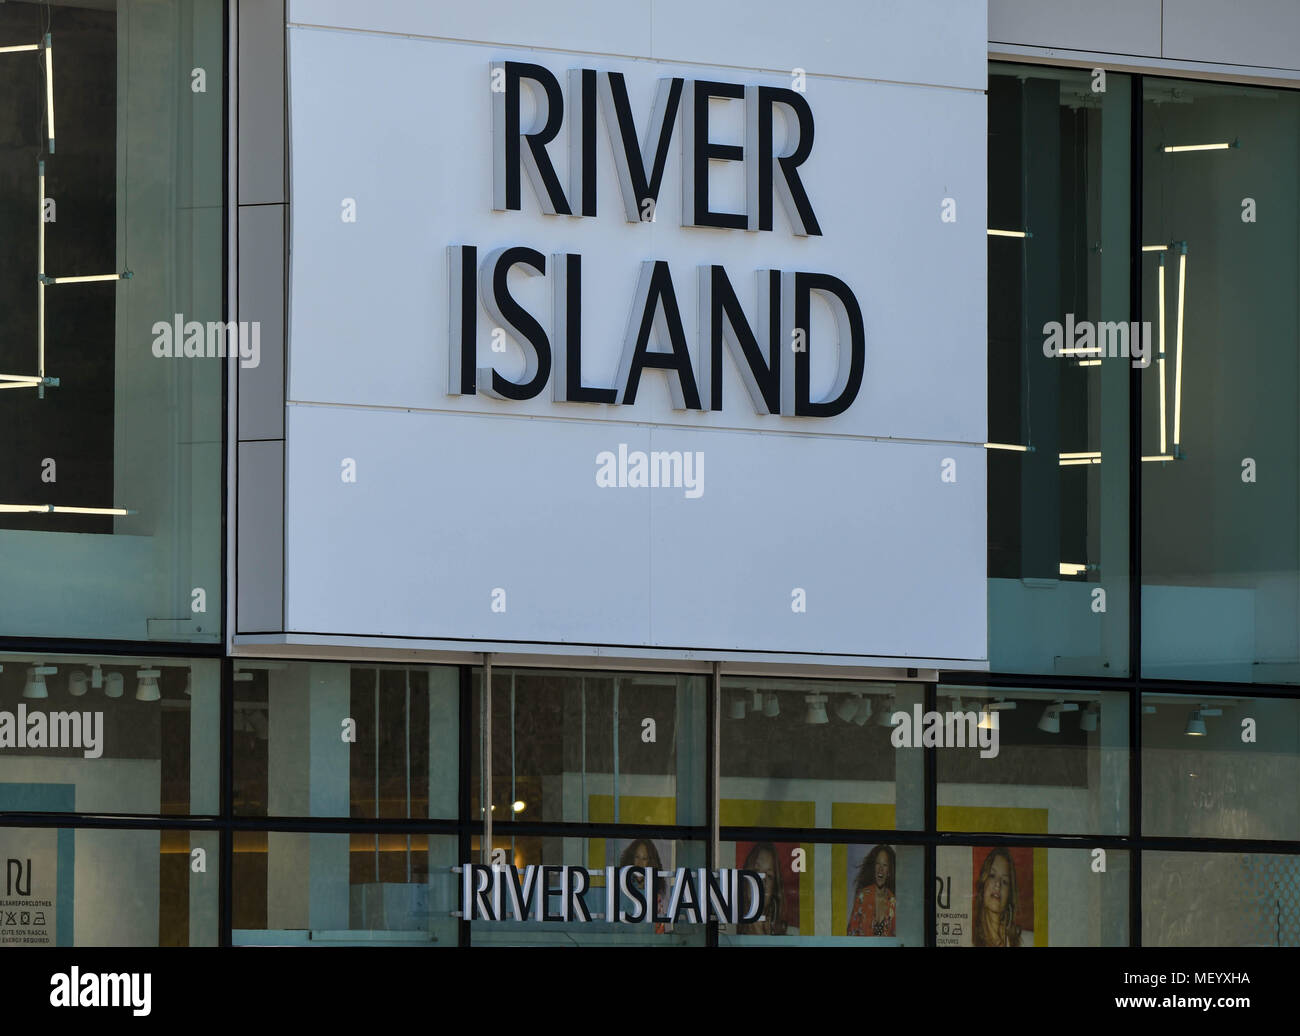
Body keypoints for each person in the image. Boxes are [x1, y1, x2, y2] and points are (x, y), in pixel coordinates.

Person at [971, 847, 1022, 947]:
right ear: (983, 882)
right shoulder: (966, 936)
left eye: (1004, 881)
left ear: (1009, 894)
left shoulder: (1028, 941)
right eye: (992, 875)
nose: (998, 884)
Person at [738, 842, 788, 935]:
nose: (762, 880)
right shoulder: (728, 928)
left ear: (774, 888)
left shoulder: (791, 936)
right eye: (756, 871)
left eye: (769, 876)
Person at [847, 844, 897, 936]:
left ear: (889, 871)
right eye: (877, 864)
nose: (880, 869)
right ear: (873, 867)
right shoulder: (863, 896)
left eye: (885, 865)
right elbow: (851, 933)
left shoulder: (893, 903)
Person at [618, 838, 666, 932]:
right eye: (637, 857)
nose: (639, 863)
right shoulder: (620, 885)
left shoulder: (656, 892)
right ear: (631, 858)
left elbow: (660, 927)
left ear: (650, 862)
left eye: (644, 858)